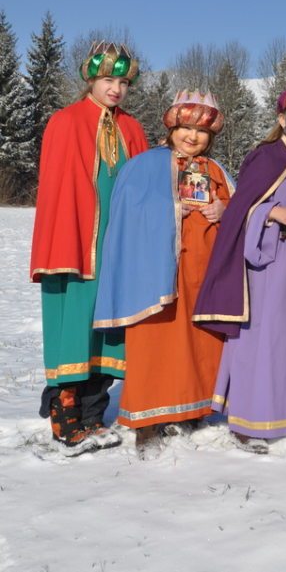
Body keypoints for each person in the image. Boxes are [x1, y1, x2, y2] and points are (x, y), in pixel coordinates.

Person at [193, 81, 286, 453]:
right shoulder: (267, 156)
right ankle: (247, 419)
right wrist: (274, 212)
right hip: (268, 264)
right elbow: (242, 208)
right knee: (263, 340)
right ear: (282, 118)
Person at [93, 90, 234, 458]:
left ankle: (192, 407)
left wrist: (224, 208)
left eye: (201, 131)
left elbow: (238, 209)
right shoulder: (146, 165)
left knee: (199, 342)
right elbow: (128, 214)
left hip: (203, 273)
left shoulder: (215, 169)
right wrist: (173, 209)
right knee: (158, 341)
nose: (193, 136)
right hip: (158, 274)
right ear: (171, 127)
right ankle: (148, 419)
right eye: (185, 127)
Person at [30, 41, 148, 454]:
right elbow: (58, 191)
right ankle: (65, 414)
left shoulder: (132, 128)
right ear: (91, 80)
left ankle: (94, 413)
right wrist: (68, 236)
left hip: (116, 245)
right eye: (107, 80)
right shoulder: (66, 121)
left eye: (122, 82)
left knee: (108, 328)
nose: (116, 89)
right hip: (76, 243)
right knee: (74, 323)